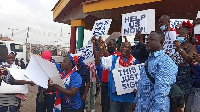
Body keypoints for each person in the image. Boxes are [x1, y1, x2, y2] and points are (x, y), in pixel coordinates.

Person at [134, 31, 178, 112]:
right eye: (147, 39)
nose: (147, 41)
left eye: (152, 39)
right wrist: (136, 102)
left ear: (161, 42)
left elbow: (162, 94)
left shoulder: (165, 62)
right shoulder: (149, 60)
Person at [96, 38, 140, 112]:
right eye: (122, 47)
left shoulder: (135, 62)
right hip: (115, 97)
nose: (123, 49)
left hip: (129, 98)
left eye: (126, 47)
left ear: (130, 50)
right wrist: (101, 50)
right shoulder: (113, 59)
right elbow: (97, 62)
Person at [0, 45, 35, 112]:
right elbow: (12, 81)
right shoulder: (1, 69)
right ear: (0, 55)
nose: (7, 56)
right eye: (6, 54)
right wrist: (28, 82)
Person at [174, 21, 198, 111]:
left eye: (183, 33)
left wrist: (179, 49)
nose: (180, 35)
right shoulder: (174, 46)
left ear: (189, 35)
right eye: (179, 33)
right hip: (174, 78)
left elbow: (189, 60)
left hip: (185, 79)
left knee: (182, 105)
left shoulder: (191, 47)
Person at [93, 36, 120, 112]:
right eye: (108, 45)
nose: (109, 47)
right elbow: (96, 57)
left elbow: (111, 60)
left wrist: (103, 49)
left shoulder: (118, 54)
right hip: (104, 82)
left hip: (112, 83)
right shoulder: (105, 53)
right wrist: (94, 45)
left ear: (115, 46)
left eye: (110, 45)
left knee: (110, 103)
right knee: (104, 103)